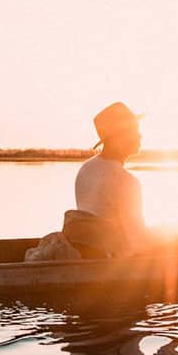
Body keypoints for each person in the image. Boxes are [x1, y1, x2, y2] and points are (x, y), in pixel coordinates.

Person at [71, 102, 151, 256]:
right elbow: (139, 243)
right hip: (117, 264)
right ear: (119, 138)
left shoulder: (86, 168)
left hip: (90, 256)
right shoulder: (125, 181)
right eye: (134, 130)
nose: (140, 135)